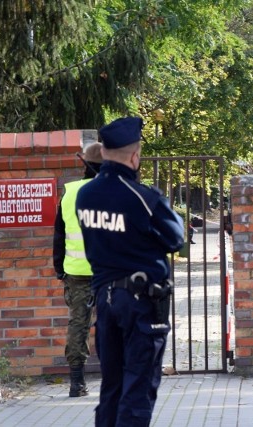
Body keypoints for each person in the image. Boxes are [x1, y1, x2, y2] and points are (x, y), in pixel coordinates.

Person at [75, 117, 184, 427]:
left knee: (112, 388)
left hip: (105, 301)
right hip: (140, 304)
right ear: (135, 156)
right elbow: (176, 238)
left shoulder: (85, 195)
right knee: (137, 390)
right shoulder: (143, 197)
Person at [53, 142, 103, 397]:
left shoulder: (69, 193)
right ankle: (118, 377)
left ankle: (76, 382)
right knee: (115, 321)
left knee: (78, 324)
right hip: (109, 271)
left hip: (76, 271)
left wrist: (59, 268)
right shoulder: (110, 191)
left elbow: (59, 234)